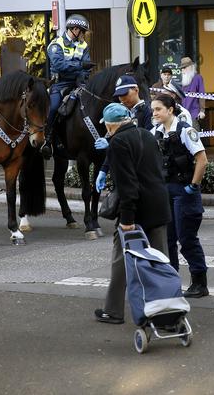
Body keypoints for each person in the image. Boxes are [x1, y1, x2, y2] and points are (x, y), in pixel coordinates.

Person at [94, 103, 170, 324]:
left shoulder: (117, 142)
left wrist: (127, 219)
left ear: (110, 126)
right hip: (159, 205)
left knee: (121, 260)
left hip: (136, 211)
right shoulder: (147, 135)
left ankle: (113, 310)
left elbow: (128, 185)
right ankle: (165, 311)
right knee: (160, 261)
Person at [152, 94, 209, 297]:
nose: (155, 113)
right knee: (167, 240)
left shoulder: (186, 130)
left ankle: (200, 283)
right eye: (153, 110)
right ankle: (171, 281)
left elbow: (202, 160)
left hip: (184, 191)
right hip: (166, 192)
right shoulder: (155, 132)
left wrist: (193, 186)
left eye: (158, 109)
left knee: (187, 239)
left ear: (170, 110)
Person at [40, 14, 95, 159]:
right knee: (53, 107)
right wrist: (79, 65)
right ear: (74, 29)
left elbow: (87, 68)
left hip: (78, 82)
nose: (83, 35)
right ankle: (47, 140)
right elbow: (59, 66)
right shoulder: (56, 44)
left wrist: (82, 74)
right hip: (60, 84)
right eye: (82, 31)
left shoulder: (83, 45)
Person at [179, 57, 206, 131]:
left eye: (185, 67)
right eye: (182, 68)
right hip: (184, 113)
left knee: (194, 136)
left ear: (191, 67)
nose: (183, 70)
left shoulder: (198, 78)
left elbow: (202, 94)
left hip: (194, 113)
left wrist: (202, 110)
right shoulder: (184, 80)